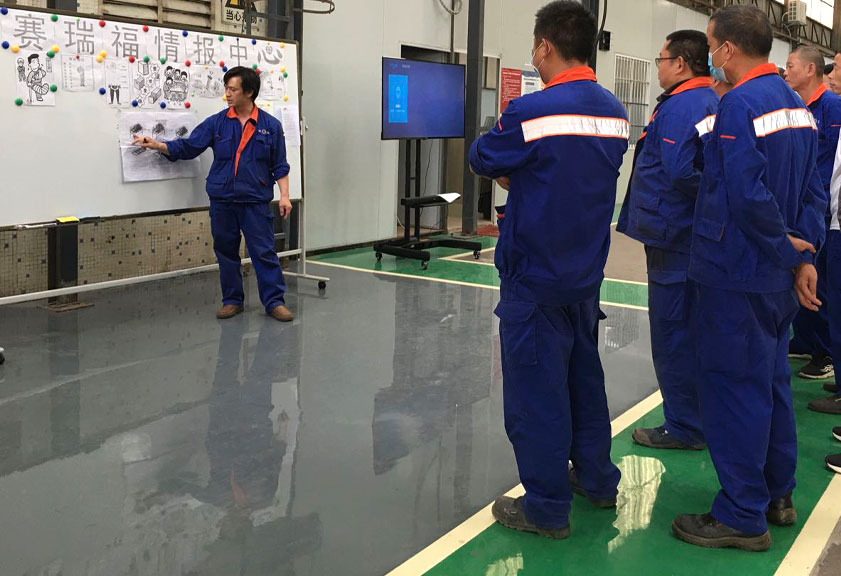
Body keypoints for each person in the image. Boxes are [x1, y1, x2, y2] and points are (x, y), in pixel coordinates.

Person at [469, 1, 629, 539]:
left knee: (537, 394)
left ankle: (545, 507)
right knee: (584, 382)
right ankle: (598, 481)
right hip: (585, 272)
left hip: (535, 274)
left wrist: (520, 171)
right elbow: (580, 173)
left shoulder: (530, 111)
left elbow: (483, 158)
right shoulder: (614, 111)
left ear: (544, 46)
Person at [672, 6, 827, 551]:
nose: (710, 54)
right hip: (777, 279)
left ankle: (742, 513)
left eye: (711, 45)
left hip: (737, 274)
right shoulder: (798, 107)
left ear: (729, 49)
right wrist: (803, 255)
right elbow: (813, 191)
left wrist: (783, 248)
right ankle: (777, 493)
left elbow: (745, 193)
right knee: (771, 383)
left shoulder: (738, 104)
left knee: (733, 390)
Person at [617, 30, 718, 451]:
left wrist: (710, 201)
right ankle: (699, 417)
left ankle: (684, 427)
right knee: (693, 329)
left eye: (660, 59)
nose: (658, 67)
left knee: (671, 332)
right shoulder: (710, 100)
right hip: (692, 234)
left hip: (672, 235)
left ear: (680, 63)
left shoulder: (682, 105)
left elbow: (680, 171)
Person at [134, 66, 294, 322]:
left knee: (264, 252)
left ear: (249, 92)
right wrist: (157, 145)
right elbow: (189, 146)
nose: (227, 94)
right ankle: (232, 300)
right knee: (226, 252)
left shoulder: (270, 126)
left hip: (255, 201)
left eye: (232, 89)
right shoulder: (217, 122)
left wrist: (284, 195)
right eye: (226, 89)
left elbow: (280, 166)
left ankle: (274, 302)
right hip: (223, 200)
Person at [785, 45, 841, 385]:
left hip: (822, 208)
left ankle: (825, 352)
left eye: (791, 65)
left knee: (818, 280)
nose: (786, 71)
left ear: (810, 69)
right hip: (803, 205)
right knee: (799, 274)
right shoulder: (795, 108)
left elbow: (832, 162)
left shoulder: (832, 106)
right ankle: (805, 340)